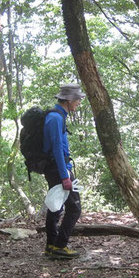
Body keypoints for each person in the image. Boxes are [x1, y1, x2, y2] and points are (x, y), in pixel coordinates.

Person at [43, 83, 85, 259]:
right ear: (68, 100)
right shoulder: (56, 118)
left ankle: (52, 245)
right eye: (77, 100)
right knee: (74, 208)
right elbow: (57, 149)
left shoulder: (58, 116)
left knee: (56, 206)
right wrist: (64, 176)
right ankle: (60, 245)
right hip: (58, 168)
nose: (78, 103)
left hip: (55, 168)